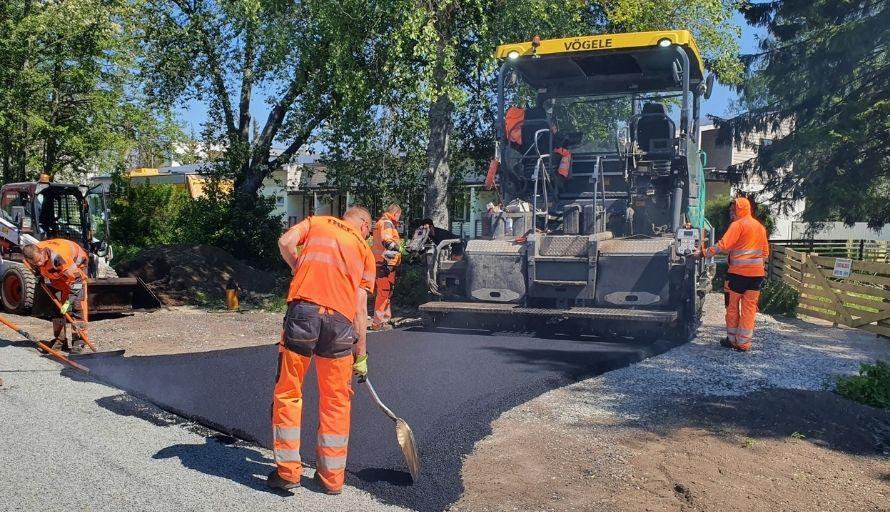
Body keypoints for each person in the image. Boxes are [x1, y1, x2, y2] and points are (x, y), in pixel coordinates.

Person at [268, 207, 376, 494]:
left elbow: (284, 242)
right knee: (336, 400)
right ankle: (331, 479)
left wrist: (297, 267)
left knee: (289, 392)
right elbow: (360, 310)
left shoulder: (316, 223)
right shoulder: (364, 251)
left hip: (304, 312)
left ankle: (288, 472)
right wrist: (361, 354)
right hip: (340, 324)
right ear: (364, 225)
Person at [703, 197, 769, 352]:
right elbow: (765, 252)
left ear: (740, 209)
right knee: (749, 309)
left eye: (733, 210)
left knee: (732, 307)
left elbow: (723, 245)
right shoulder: (760, 227)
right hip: (756, 277)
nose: (731, 213)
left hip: (737, 276)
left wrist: (704, 253)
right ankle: (743, 343)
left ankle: (732, 340)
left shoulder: (737, 225)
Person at [22, 239, 89, 354]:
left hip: (76, 269)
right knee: (58, 308)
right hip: (58, 276)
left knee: (77, 305)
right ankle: (60, 340)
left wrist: (69, 303)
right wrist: (39, 275)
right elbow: (35, 267)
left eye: (39, 260)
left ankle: (79, 341)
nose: (38, 264)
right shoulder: (30, 256)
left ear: (42, 252)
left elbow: (76, 281)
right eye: (35, 263)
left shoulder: (58, 257)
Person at [370, 204, 402, 331]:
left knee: (387, 292)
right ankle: (377, 322)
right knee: (384, 293)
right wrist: (399, 248)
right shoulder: (387, 223)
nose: (399, 218)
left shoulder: (382, 222)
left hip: (385, 263)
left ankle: (385, 319)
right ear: (395, 213)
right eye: (399, 215)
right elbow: (387, 240)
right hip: (384, 263)